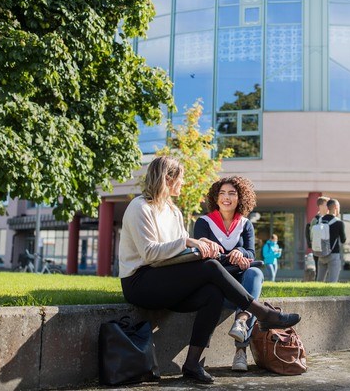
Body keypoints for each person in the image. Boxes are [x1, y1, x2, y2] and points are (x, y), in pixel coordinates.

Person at [118, 156, 301, 384]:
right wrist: (189, 242)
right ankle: (262, 313)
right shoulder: (140, 207)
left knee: (212, 294)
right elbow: (150, 254)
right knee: (211, 267)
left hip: (167, 281)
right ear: (168, 178)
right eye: (181, 179)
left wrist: (201, 249)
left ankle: (192, 364)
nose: (183, 184)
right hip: (140, 283)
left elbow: (175, 254)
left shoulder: (173, 211)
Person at [193, 176, 264, 372]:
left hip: (240, 283)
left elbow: (251, 252)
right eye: (222, 193)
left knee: (255, 274)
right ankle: (236, 347)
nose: (226, 197)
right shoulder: (204, 222)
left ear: (240, 198)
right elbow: (202, 254)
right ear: (216, 198)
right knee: (247, 294)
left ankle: (240, 340)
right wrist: (229, 256)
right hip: (215, 286)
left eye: (232, 193)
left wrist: (240, 253)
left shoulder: (245, 224)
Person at [316, 199, 346, 283]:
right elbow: (343, 240)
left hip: (321, 254)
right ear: (336, 207)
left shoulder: (320, 220)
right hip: (333, 254)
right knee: (332, 282)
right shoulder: (339, 222)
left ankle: (316, 295)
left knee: (319, 281)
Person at [306, 196, 330, 280]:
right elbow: (312, 236)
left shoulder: (331, 218)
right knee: (319, 271)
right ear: (320, 206)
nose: (329, 206)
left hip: (329, 249)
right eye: (327, 204)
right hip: (318, 249)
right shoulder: (315, 220)